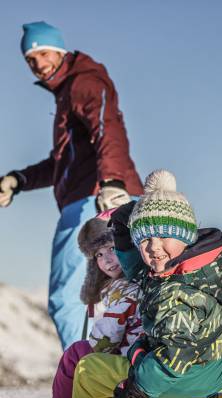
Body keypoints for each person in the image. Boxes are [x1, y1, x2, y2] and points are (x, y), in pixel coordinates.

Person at [63, 170, 222, 398]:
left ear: (184, 235)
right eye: (144, 240)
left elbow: (174, 358)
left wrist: (135, 389)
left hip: (180, 378)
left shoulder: (174, 294)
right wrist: (128, 216)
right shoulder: (202, 268)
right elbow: (135, 266)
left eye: (164, 236)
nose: (153, 248)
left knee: (90, 368)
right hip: (217, 376)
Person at [0, 21, 144, 350]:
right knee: (125, 288)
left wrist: (111, 180)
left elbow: (107, 130)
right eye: (30, 59)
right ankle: (124, 373)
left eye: (43, 53)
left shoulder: (84, 82)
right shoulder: (69, 91)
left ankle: (81, 378)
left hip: (93, 199)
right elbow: (62, 163)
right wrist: (18, 180)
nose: (38, 64)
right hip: (97, 194)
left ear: (60, 51)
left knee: (68, 298)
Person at [51, 211, 142, 398]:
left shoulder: (125, 288)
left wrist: (92, 344)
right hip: (138, 353)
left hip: (129, 358)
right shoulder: (129, 283)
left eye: (112, 248)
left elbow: (106, 337)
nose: (108, 259)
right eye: (99, 255)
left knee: (75, 355)